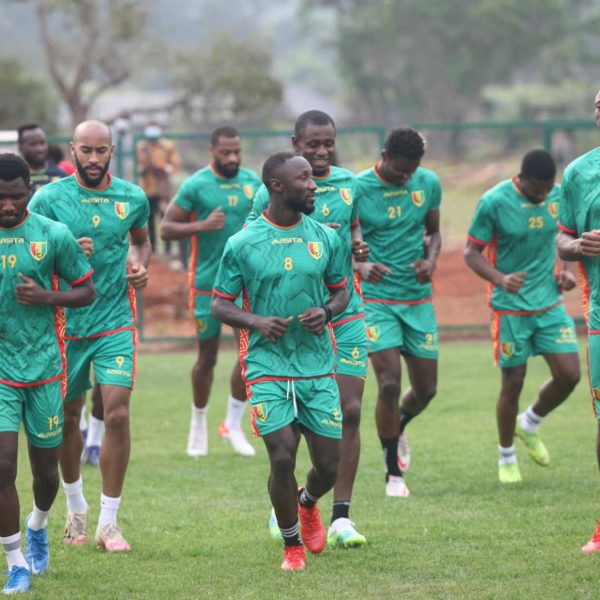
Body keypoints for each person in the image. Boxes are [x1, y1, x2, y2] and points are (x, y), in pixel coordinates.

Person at [212, 151, 349, 571]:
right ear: (277, 187)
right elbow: (219, 303)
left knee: (328, 466)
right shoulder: (243, 243)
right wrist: (256, 321)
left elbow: (342, 291)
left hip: (316, 365)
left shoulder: (326, 237)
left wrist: (326, 311)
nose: (314, 185)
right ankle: (292, 546)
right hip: (266, 365)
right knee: (283, 456)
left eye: (312, 178)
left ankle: (307, 502)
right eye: (304, 178)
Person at [248, 110, 370, 547]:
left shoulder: (350, 184)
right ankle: (287, 495)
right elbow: (253, 245)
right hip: (297, 323)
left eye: (328, 143)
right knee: (301, 415)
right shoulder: (271, 192)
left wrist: (355, 245)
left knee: (350, 410)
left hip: (344, 310)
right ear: (295, 144)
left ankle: (338, 516)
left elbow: (355, 228)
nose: (321, 152)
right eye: (313, 144)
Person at [28, 120, 151, 552]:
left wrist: (139, 264)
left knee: (116, 414)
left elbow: (141, 241)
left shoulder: (132, 197)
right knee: (67, 415)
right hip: (66, 323)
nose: (94, 158)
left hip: (115, 319)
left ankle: (109, 523)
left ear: (112, 151)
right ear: (72, 150)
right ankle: (75, 507)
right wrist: (62, 254)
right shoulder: (48, 199)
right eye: (86, 150)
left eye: (102, 150)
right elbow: (29, 252)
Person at [0, 154, 95, 594]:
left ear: (30, 192)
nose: (7, 205)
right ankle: (15, 561)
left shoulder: (53, 235)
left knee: (45, 474)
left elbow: (86, 291)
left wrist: (45, 296)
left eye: (16, 197)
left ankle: (37, 524)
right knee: (3, 466)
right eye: (0, 198)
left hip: (44, 368)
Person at [465, 149, 580, 483]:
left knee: (570, 375)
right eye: (537, 189)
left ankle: (529, 423)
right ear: (522, 178)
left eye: (547, 188)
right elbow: (471, 252)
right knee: (513, 382)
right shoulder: (494, 201)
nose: (543, 195)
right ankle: (506, 456)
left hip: (549, 304)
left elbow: (566, 237)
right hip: (510, 307)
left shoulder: (558, 196)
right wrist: (500, 278)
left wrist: (567, 270)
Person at [160, 126, 261, 457]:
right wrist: (200, 226)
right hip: (207, 284)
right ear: (211, 151)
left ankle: (232, 425)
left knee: (247, 356)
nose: (232, 157)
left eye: (237, 151)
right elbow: (165, 228)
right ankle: (198, 424)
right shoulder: (196, 185)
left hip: (245, 285)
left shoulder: (253, 183)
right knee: (208, 358)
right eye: (225, 152)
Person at [354, 128, 441, 497]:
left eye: (412, 171)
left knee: (426, 390)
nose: (406, 176)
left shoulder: (428, 183)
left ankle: (399, 423)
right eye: (400, 169)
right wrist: (361, 266)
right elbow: (343, 237)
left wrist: (430, 260)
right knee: (388, 383)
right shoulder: (357, 188)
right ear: (384, 155)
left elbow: (434, 233)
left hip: (417, 299)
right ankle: (393, 473)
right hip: (375, 299)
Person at [556, 88, 600, 552]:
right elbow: (563, 240)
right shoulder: (578, 172)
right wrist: (579, 245)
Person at [136, 123, 181, 252]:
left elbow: (175, 164)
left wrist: (165, 168)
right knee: (149, 219)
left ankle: (168, 249)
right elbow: (138, 165)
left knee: (165, 217)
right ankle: (153, 249)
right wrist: (144, 169)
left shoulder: (167, 146)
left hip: (163, 189)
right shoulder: (142, 147)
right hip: (148, 188)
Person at [17, 123, 66, 193]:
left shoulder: (59, 174)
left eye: (42, 143)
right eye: (33, 144)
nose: (40, 149)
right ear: (20, 148)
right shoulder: (16, 176)